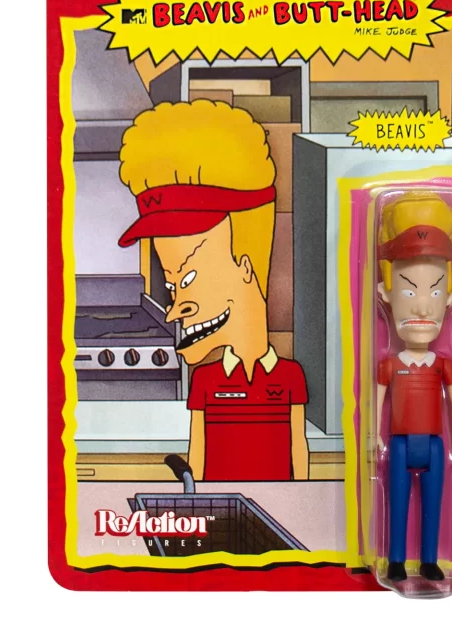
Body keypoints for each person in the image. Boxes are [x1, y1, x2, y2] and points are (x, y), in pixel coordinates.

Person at [118, 100, 309, 481]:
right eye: (172, 286)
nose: (173, 311)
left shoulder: (290, 377)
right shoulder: (205, 381)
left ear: (246, 267)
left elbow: (298, 451)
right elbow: (198, 458)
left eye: (189, 279)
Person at [376, 192, 452, 582]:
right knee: (397, 504)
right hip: (399, 445)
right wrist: (373, 436)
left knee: (434, 504)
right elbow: (377, 400)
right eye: (409, 290)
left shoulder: (444, 365)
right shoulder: (390, 365)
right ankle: (396, 560)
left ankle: (429, 560)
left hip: (434, 444)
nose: (421, 307)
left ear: (450, 297)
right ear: (384, 294)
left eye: (434, 291)